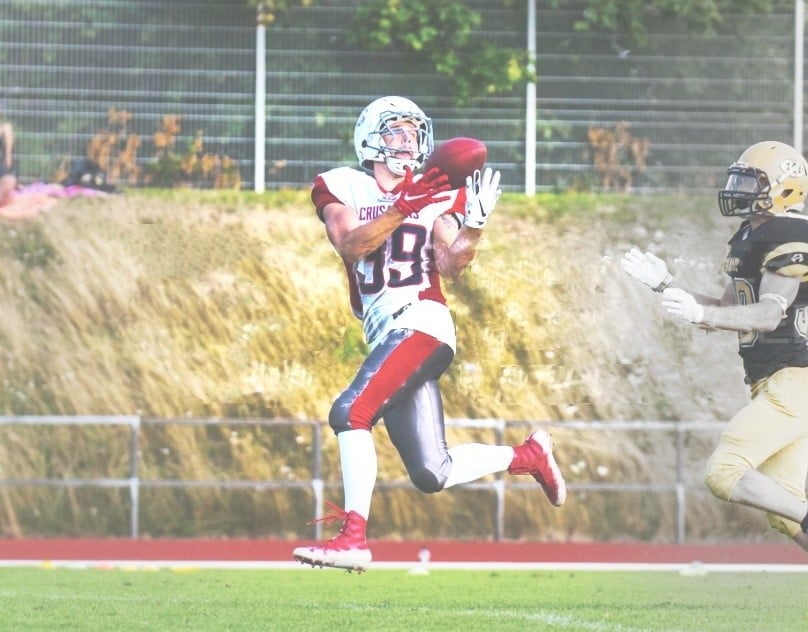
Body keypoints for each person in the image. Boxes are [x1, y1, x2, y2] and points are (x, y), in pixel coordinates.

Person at [293, 95, 567, 572]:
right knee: (430, 471)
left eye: (415, 133)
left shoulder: (436, 192)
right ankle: (528, 455)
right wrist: (403, 205)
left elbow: (450, 263)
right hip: (387, 334)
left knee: (350, 412)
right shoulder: (343, 186)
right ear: (371, 139)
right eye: (396, 132)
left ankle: (353, 537)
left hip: (423, 321)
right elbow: (351, 245)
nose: (409, 142)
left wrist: (474, 226)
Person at [621, 140, 808, 552]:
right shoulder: (751, 235)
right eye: (739, 177)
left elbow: (767, 314)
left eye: (752, 179)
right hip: (775, 380)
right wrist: (666, 286)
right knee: (783, 511)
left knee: (725, 473)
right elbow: (727, 308)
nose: (739, 187)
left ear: (785, 187)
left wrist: (700, 315)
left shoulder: (790, 232)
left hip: (797, 379)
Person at [0, 104, 18, 207]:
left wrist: (8, 170)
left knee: (9, 182)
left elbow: (8, 152)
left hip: (4, 164)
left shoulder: (6, 128)